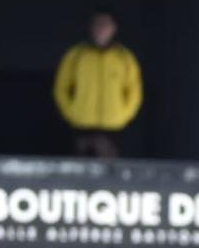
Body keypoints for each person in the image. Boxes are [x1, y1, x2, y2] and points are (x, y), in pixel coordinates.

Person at [53, 10, 142, 158]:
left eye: (105, 25)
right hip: (82, 124)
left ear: (114, 28)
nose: (101, 29)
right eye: (98, 25)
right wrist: (72, 113)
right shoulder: (76, 55)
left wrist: (123, 116)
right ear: (91, 28)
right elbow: (61, 88)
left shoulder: (124, 58)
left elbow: (134, 92)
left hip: (113, 126)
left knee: (111, 172)